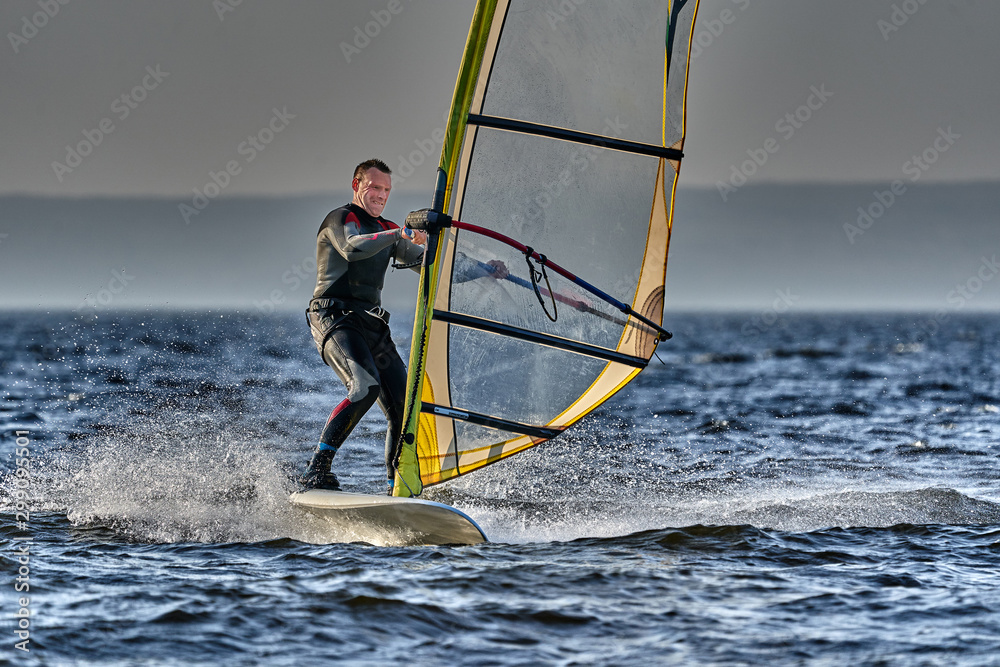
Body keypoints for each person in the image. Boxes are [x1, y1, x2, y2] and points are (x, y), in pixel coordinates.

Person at [300, 159, 508, 493]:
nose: (380, 195)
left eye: (386, 190)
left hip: (371, 325)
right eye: (374, 187)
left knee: (404, 405)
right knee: (364, 387)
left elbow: (432, 266)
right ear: (357, 185)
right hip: (335, 318)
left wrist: (485, 269)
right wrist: (398, 233)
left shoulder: (388, 228)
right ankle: (316, 469)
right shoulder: (341, 219)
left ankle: (394, 485)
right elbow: (353, 249)